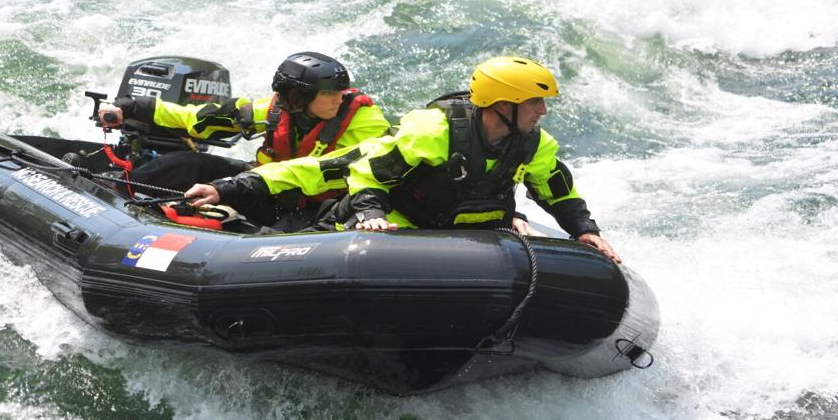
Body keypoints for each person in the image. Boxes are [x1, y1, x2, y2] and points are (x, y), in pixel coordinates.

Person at [184, 56, 620, 262]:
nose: (542, 113)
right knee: (299, 218)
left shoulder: (534, 144)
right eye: (534, 104)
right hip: (393, 234)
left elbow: (559, 192)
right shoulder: (432, 131)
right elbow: (359, 171)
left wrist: (585, 232)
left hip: (467, 245)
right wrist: (371, 212)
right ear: (500, 104)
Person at [97, 52, 390, 227]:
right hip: (263, 189)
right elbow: (200, 118)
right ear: (298, 97)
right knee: (186, 163)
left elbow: (329, 169)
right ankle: (110, 190)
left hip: (317, 208)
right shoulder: (274, 109)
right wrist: (132, 108)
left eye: (341, 91)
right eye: (329, 92)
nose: (339, 98)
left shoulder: (365, 121)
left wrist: (229, 188)